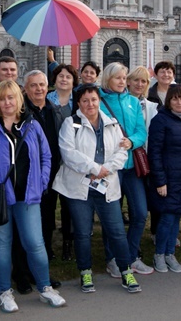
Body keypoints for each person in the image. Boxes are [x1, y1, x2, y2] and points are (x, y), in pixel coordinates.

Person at [0, 80, 66, 312]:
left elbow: (46, 156)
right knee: (2, 244)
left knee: (35, 243)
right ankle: (4, 291)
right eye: (2, 99)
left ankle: (45, 287)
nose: (7, 102)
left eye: (11, 97)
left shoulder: (32, 125)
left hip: (28, 196)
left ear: (19, 99)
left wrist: (41, 181)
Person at [53, 84, 142, 293]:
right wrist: (95, 168)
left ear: (99, 101)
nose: (90, 104)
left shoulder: (112, 123)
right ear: (78, 103)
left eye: (93, 99)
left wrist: (105, 169)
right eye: (85, 101)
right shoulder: (71, 124)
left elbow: (122, 151)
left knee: (117, 232)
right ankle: (85, 272)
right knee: (83, 233)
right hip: (79, 189)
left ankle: (125, 271)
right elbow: (68, 153)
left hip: (106, 186)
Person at [99, 62, 153, 276]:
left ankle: (130, 256)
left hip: (131, 168)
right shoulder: (99, 101)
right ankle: (112, 258)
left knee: (139, 212)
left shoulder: (133, 102)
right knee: (112, 216)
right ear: (108, 79)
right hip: (112, 168)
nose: (122, 82)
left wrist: (132, 141)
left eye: (123, 78)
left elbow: (141, 131)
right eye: (117, 78)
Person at [147, 84, 181, 274]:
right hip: (168, 177)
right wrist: (160, 181)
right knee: (167, 216)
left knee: (177, 216)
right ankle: (159, 254)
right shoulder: (160, 120)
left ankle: (170, 253)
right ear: (169, 101)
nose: (179, 102)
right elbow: (154, 152)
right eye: (175, 98)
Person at [24, 70, 72, 263]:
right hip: (29, 171)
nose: (38, 89)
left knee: (49, 210)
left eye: (42, 85)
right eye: (33, 85)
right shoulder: (22, 112)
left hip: (51, 169)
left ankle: (46, 246)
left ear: (47, 87)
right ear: (26, 89)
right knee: (33, 212)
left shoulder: (54, 110)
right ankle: (30, 250)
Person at [126, 66, 161, 243]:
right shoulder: (120, 103)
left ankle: (137, 243)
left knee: (141, 207)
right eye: (136, 80)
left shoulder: (152, 107)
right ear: (128, 82)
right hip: (123, 162)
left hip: (144, 161)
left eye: (143, 81)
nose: (139, 84)